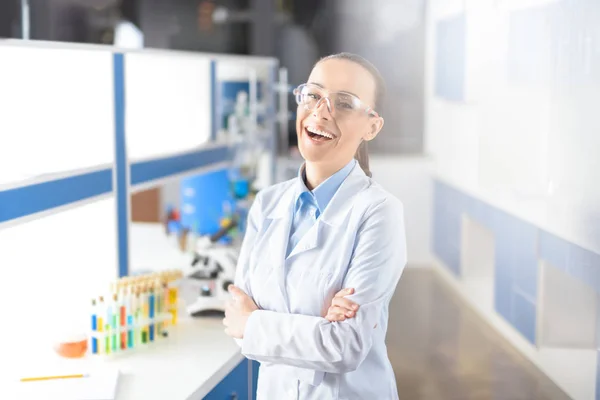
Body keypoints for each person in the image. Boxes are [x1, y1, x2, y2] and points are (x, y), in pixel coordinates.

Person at [223, 52, 407, 399]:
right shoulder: (267, 204)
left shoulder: (379, 212)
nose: (321, 112)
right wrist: (315, 327)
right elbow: (237, 328)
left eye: (344, 103)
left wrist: (257, 322)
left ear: (372, 126)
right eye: (312, 95)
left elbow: (345, 346)